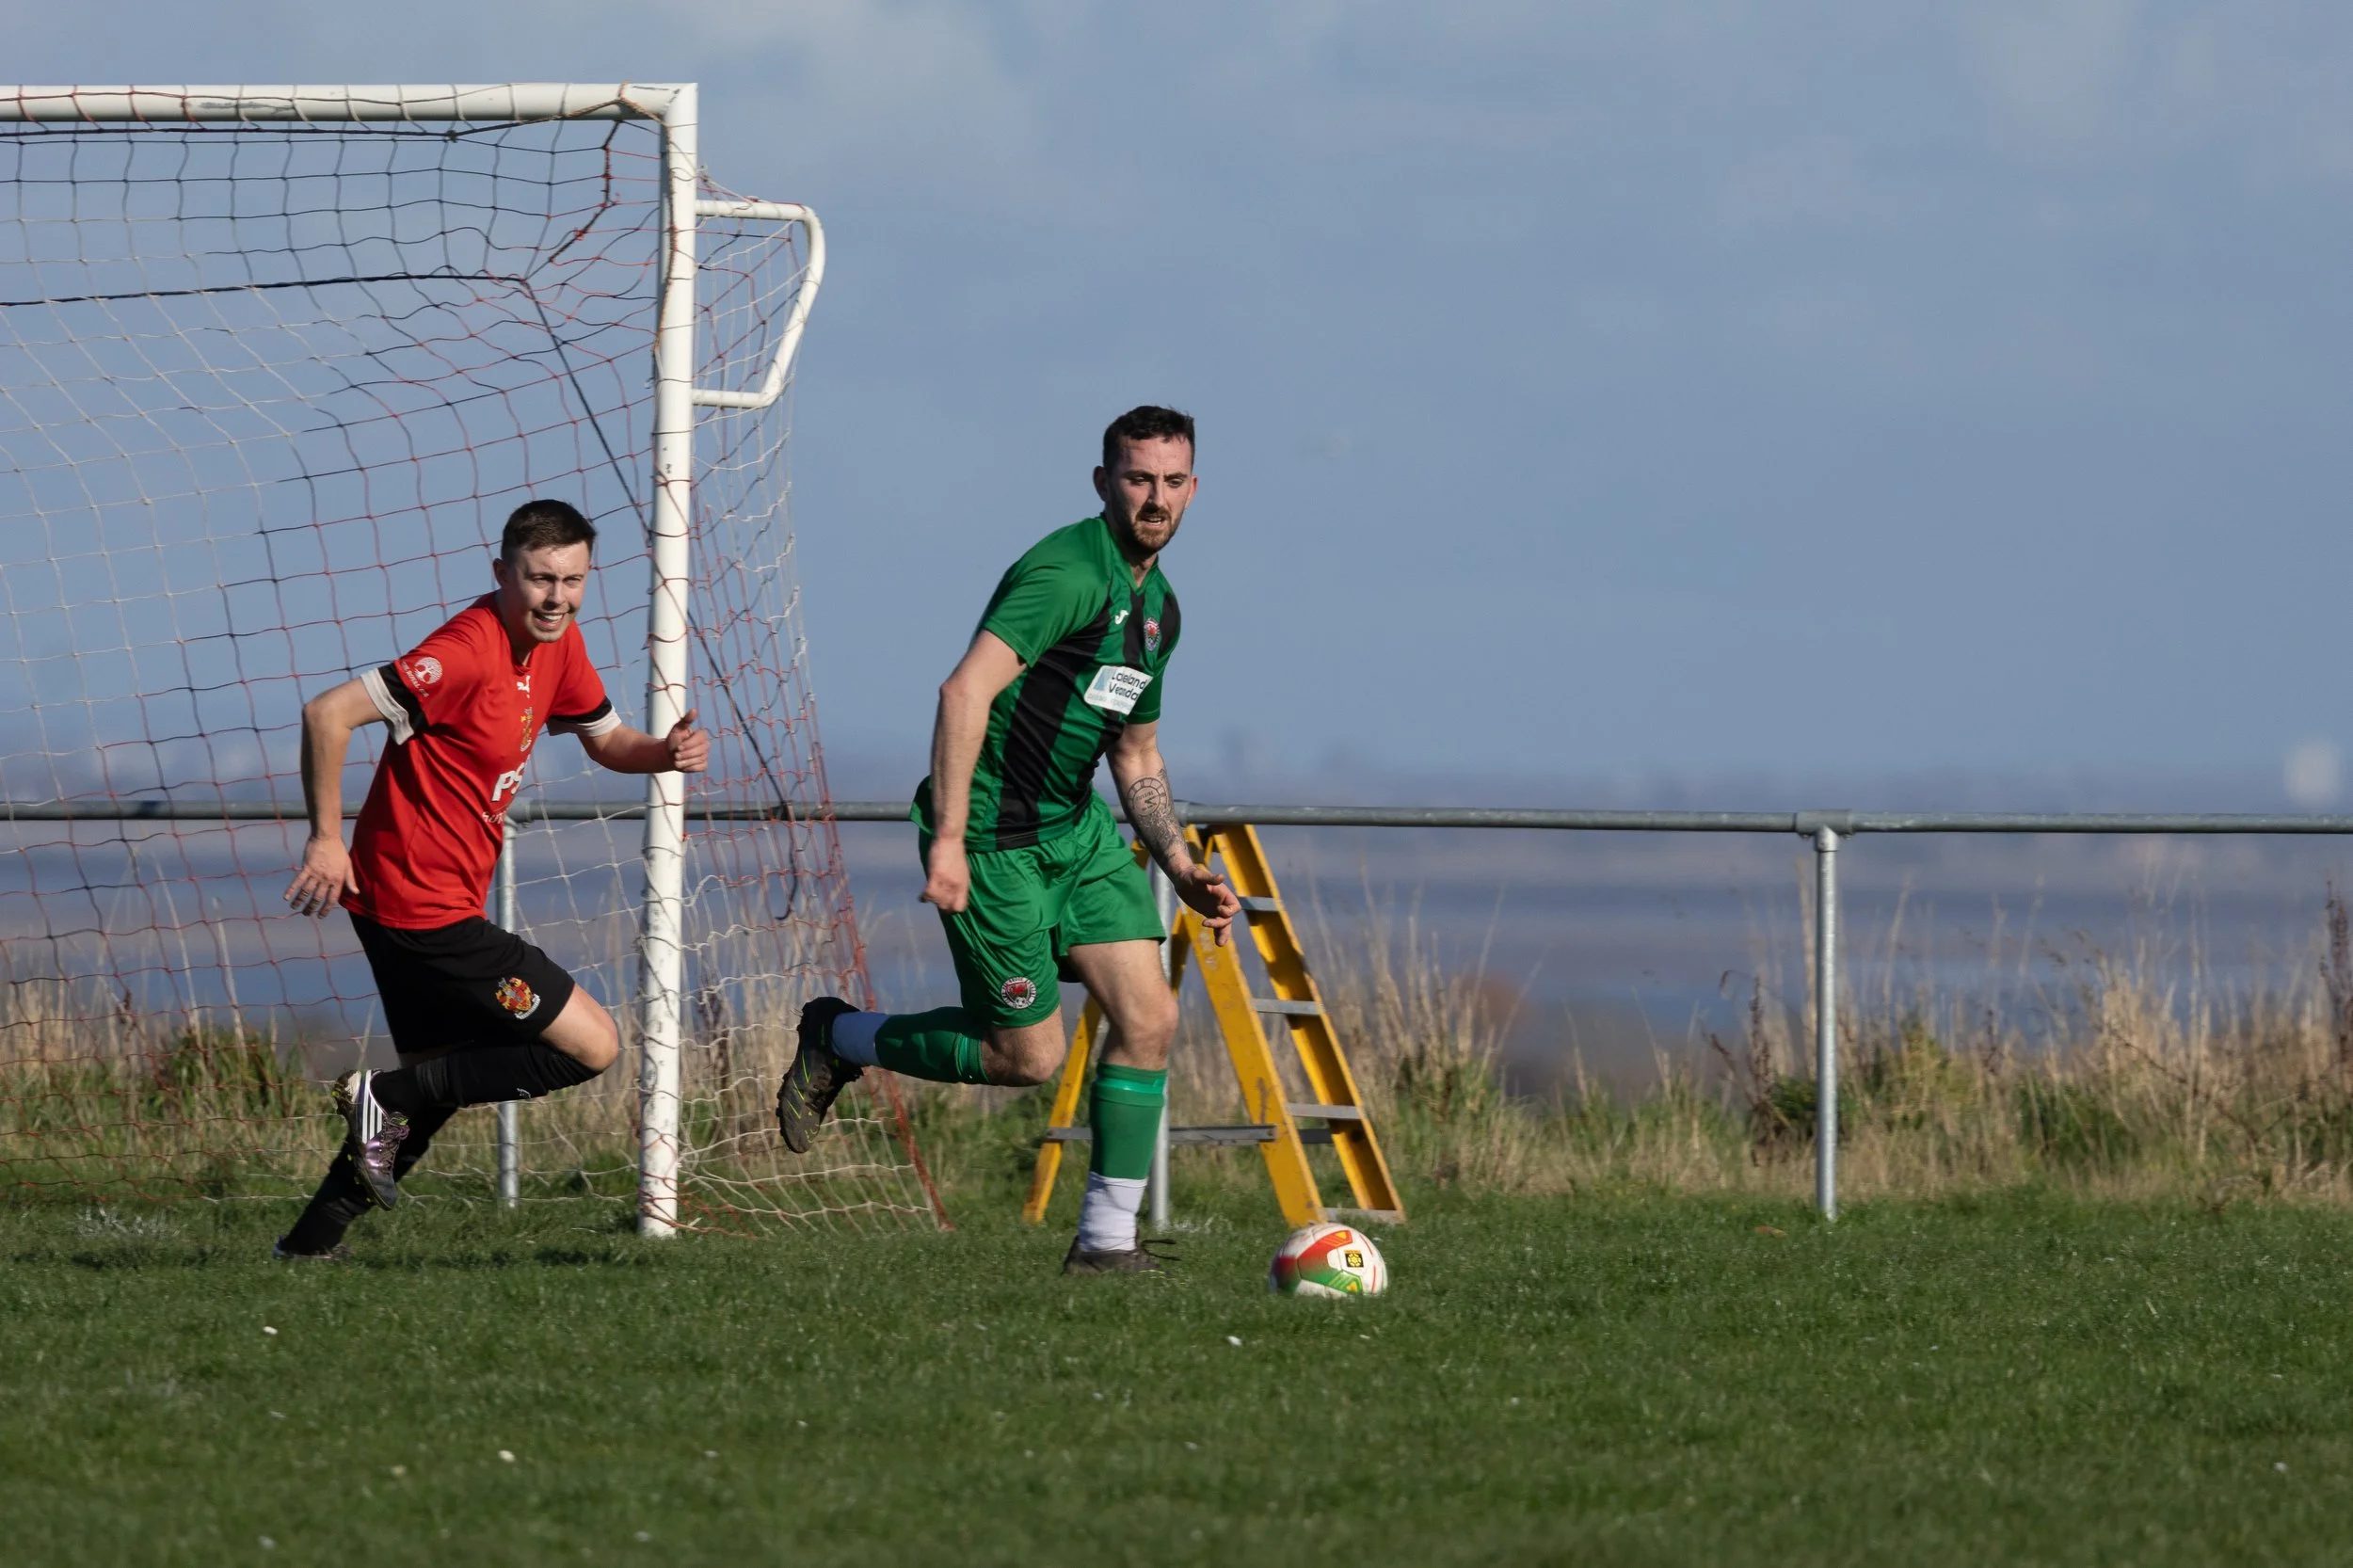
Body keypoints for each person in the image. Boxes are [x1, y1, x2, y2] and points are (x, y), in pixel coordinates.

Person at [777, 406, 1239, 1273]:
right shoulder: (1066, 572)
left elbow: (1135, 751)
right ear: (1103, 483)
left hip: (1079, 834)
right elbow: (962, 694)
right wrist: (948, 840)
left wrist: (1178, 864)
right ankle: (836, 1038)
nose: (1156, 499)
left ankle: (1105, 1243)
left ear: (1194, 490)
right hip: (993, 840)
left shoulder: (1160, 609)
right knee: (1025, 1058)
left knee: (1151, 1017)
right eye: (1139, 479)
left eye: (1173, 482)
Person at [274, 499, 708, 1257]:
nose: (557, 597)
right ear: (503, 573)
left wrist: (664, 754)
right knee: (592, 1046)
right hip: (419, 905)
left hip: (412, 903)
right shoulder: (465, 650)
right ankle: (383, 1095)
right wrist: (324, 840)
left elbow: (607, 742)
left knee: (433, 1089)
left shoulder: (560, 645)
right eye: (541, 579)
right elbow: (327, 714)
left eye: (573, 581)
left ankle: (309, 1243)